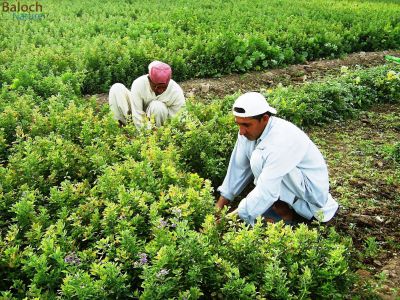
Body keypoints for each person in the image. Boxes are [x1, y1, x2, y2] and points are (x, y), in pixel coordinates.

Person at [216, 92, 338, 225]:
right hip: (287, 184)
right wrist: (218, 208)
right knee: (259, 159)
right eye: (238, 124)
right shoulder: (247, 133)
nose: (241, 131)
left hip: (311, 195)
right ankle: (279, 206)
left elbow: (266, 191)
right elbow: (238, 168)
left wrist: (226, 220)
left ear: (265, 119)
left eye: (246, 125)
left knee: (260, 159)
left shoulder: (281, 140)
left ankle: (283, 211)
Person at [108, 61, 185, 128]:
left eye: (164, 87)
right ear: (149, 79)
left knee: (158, 107)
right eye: (156, 86)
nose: (160, 90)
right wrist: (143, 132)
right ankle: (123, 131)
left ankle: (155, 138)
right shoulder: (138, 84)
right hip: (135, 119)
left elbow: (179, 119)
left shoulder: (176, 91)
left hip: (161, 128)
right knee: (116, 88)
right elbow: (137, 113)